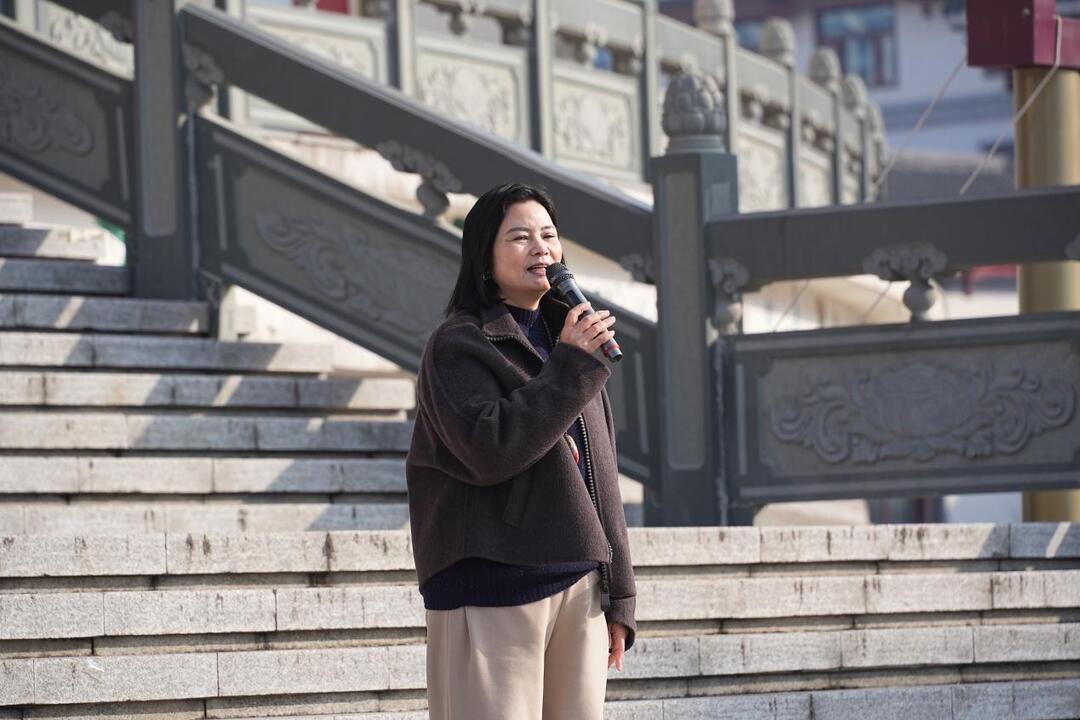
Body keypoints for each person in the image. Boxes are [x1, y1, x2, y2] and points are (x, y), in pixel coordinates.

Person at [406, 182, 637, 720]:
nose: (541, 249)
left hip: (578, 584)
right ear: (484, 256)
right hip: (492, 583)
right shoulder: (459, 345)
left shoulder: (572, 343)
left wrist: (620, 593)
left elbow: (601, 473)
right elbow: (488, 449)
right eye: (520, 237)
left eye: (549, 235)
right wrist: (569, 368)